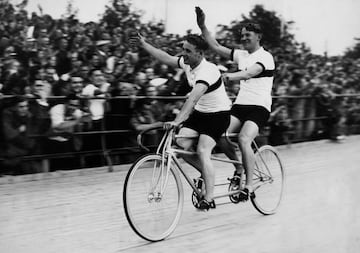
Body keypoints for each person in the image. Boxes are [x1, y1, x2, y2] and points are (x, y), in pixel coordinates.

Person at [131, 33, 232, 210]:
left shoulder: (207, 71)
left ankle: (209, 198)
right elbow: (166, 58)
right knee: (180, 144)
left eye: (188, 51)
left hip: (219, 114)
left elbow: (191, 99)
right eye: (182, 49)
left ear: (199, 53)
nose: (182, 54)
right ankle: (204, 173)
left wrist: (177, 121)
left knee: (202, 149)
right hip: (201, 113)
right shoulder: (188, 63)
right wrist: (144, 44)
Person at [196, 7, 275, 200]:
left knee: (244, 139)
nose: (244, 38)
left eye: (248, 35)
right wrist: (202, 26)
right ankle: (239, 168)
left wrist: (230, 76)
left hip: (259, 107)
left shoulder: (265, 56)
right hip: (240, 106)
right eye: (242, 35)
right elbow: (214, 46)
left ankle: (248, 186)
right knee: (219, 134)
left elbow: (249, 73)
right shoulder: (241, 55)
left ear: (258, 37)